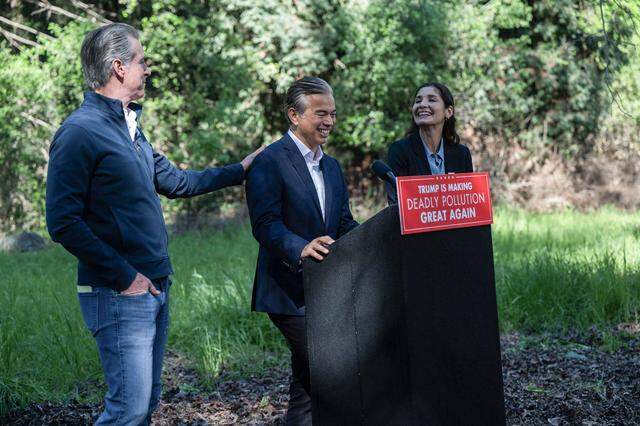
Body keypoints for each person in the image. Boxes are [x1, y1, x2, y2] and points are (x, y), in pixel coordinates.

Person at [45, 23, 262, 425]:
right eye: (141, 61)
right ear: (118, 68)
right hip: (119, 292)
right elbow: (61, 222)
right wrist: (126, 277)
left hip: (153, 285)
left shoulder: (129, 130)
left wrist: (241, 170)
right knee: (127, 410)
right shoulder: (79, 132)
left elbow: (176, 181)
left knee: (143, 405)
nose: (147, 69)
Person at [245, 77, 358, 425]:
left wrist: (378, 236)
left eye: (333, 114)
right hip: (287, 293)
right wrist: (301, 247)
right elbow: (265, 224)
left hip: (326, 291)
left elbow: (343, 223)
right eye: (321, 113)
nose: (329, 122)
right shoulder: (270, 161)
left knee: (307, 385)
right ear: (294, 115)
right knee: (330, 367)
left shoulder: (333, 166)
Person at [387, 82, 473, 203]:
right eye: (418, 101)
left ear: (448, 112)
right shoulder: (399, 151)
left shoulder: (461, 154)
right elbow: (396, 205)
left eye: (431, 100)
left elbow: (468, 202)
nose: (422, 104)